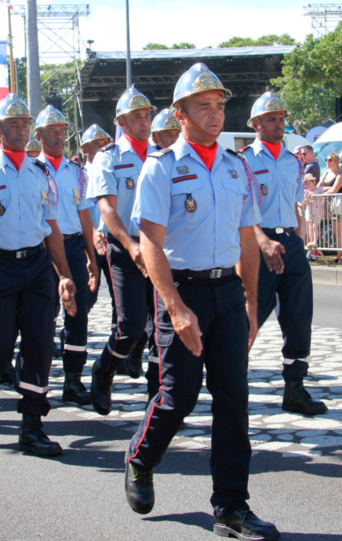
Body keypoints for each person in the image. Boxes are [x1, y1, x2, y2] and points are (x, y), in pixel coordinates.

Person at [124, 62, 279, 541]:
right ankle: (140, 457)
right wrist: (174, 306)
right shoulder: (162, 167)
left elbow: (247, 241)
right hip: (183, 292)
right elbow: (150, 242)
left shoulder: (237, 166)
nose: (214, 115)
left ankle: (231, 507)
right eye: (203, 107)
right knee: (179, 396)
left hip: (228, 295)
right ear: (181, 113)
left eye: (219, 106)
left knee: (233, 401)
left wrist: (252, 304)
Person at [0, 93, 77, 457]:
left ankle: (32, 427)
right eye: (14, 125)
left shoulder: (41, 171)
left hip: (37, 266)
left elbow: (51, 226)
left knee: (40, 346)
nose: (22, 131)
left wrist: (64, 275)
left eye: (26, 124)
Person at [242, 91, 326, 416]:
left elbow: (293, 205)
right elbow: (243, 209)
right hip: (258, 244)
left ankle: (295, 389)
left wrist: (299, 240)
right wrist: (262, 242)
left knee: (298, 317)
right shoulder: (246, 160)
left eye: (281, 119)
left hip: (289, 243)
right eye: (272, 119)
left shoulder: (293, 161)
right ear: (257, 124)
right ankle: (230, 388)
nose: (279, 124)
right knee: (249, 318)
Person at [87, 86, 158, 414]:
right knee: (129, 326)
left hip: (159, 248)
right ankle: (104, 372)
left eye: (147, 115)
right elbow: (107, 209)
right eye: (136, 117)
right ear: (122, 122)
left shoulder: (161, 155)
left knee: (162, 327)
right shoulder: (108, 157)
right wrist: (131, 247)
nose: (144, 122)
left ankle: (158, 400)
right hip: (124, 246)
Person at [35, 104, 98, 405]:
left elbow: (84, 216)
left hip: (73, 246)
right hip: (44, 249)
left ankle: (73, 380)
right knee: (44, 316)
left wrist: (91, 258)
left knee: (79, 315)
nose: (59, 137)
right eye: (52, 132)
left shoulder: (77, 172)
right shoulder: (33, 169)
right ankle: (38, 382)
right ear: (39, 136)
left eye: (62, 131)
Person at [80, 124, 116, 326]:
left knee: (119, 296)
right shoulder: (77, 174)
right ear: (85, 150)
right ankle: (73, 333)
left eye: (105, 144)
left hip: (112, 239)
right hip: (88, 243)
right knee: (88, 294)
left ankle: (117, 339)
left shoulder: (114, 171)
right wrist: (93, 233)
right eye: (96, 145)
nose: (102, 148)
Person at [317, 152, 342, 265]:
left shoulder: (341, 175)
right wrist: (324, 189)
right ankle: (313, 252)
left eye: (330, 160)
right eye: (326, 160)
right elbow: (318, 187)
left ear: (336, 161)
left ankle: (338, 257)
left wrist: (323, 190)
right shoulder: (326, 173)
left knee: (337, 230)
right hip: (325, 203)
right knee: (314, 225)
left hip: (337, 203)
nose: (327, 162)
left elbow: (335, 190)